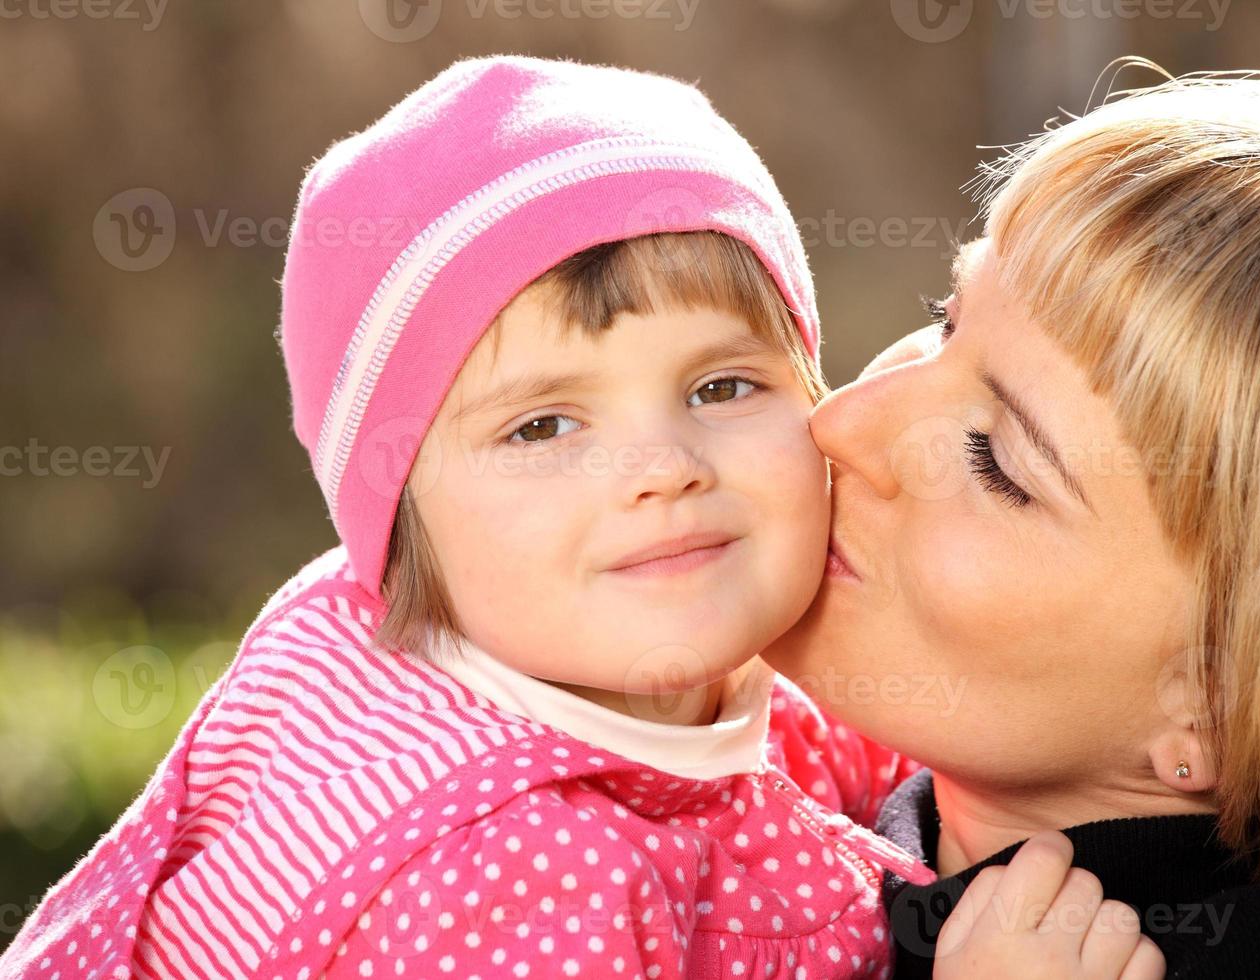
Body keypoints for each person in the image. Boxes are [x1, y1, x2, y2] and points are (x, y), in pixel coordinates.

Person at [0, 56, 1162, 980]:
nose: (660, 468)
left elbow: (811, 739)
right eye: (543, 428)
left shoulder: (610, 657)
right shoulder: (521, 877)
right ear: (396, 524)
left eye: (721, 387)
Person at [761, 68, 1260, 978]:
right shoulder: (806, 816)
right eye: (944, 322)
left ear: (1218, 709)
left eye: (996, 462)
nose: (841, 420)